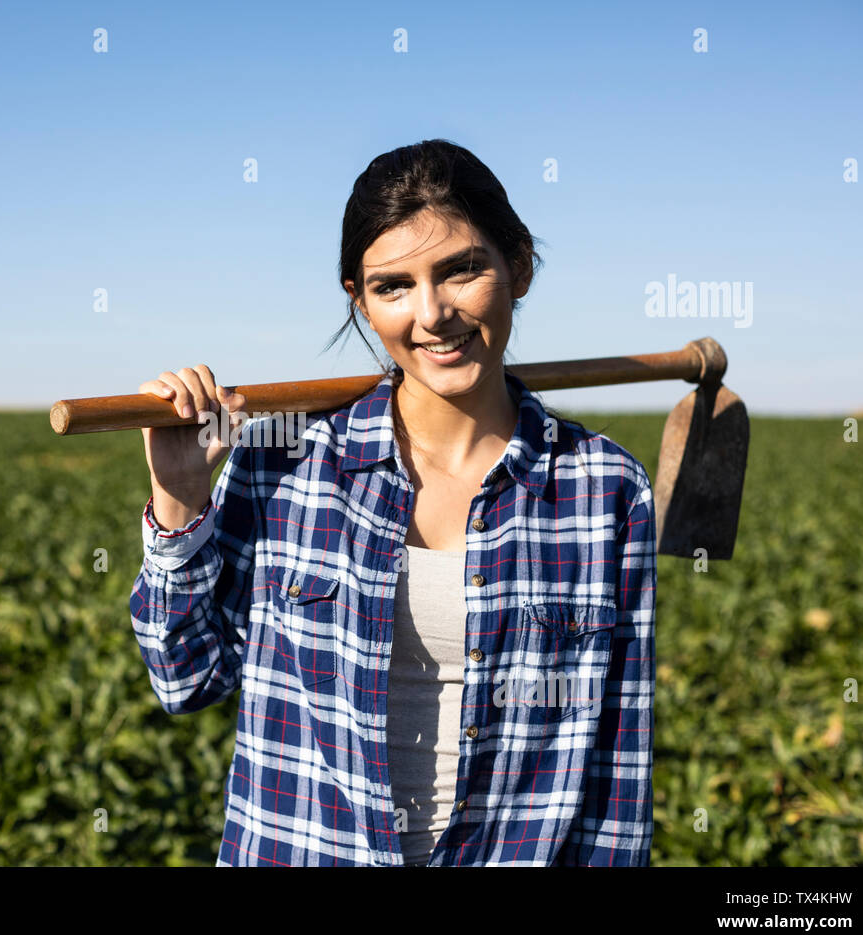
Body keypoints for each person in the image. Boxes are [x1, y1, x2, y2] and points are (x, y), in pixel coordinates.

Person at [130, 138, 656, 866]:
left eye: (462, 270)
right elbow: (185, 678)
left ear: (519, 268)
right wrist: (181, 499)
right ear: (361, 300)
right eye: (393, 286)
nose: (432, 313)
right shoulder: (285, 463)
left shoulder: (604, 490)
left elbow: (616, 773)